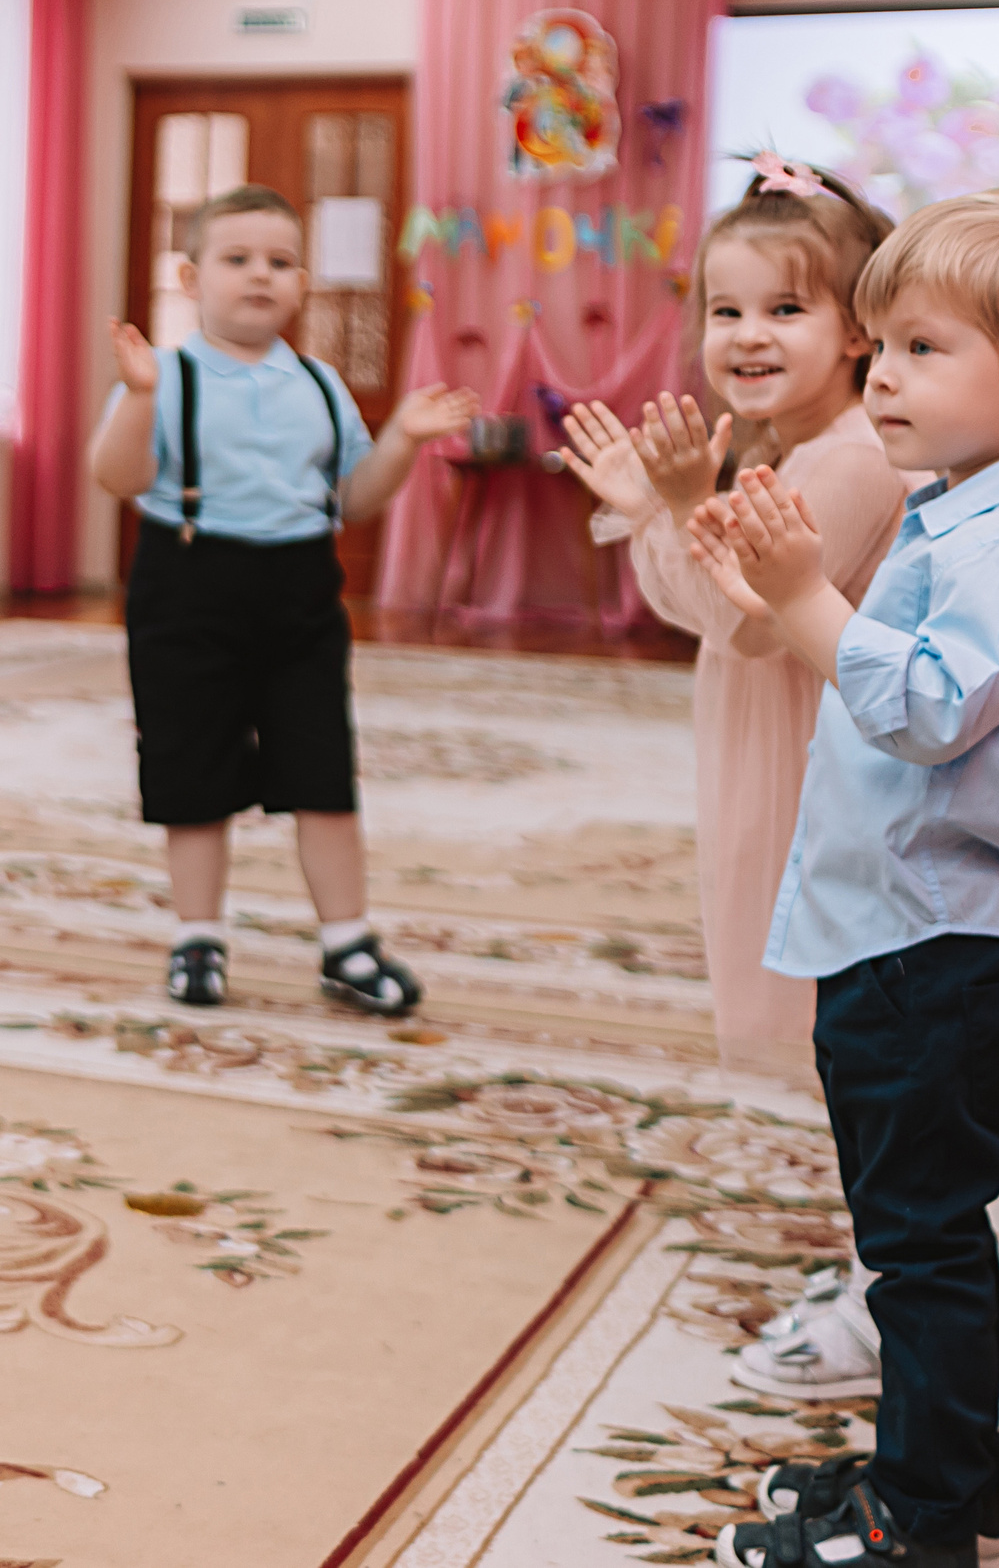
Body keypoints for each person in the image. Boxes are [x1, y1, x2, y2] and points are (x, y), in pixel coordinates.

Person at [695, 181, 999, 1568]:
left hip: (942, 946)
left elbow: (933, 704)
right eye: (879, 345)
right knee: (908, 1227)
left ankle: (929, 1523)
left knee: (925, 1243)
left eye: (922, 348)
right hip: (902, 926)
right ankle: (930, 1471)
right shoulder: (961, 510)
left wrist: (808, 601)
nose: (882, 374)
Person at [560, 155, 906, 1089]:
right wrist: (666, 503)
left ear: (859, 334)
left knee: (813, 948)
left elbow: (746, 623)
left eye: (786, 310)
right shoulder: (791, 452)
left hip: (813, 753)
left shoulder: (853, 460)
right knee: (765, 915)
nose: (749, 335)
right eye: (727, 311)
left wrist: (668, 505)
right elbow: (714, 621)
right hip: (768, 730)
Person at [89, 184, 475, 1016]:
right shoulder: (164, 375)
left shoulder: (321, 384)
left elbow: (355, 498)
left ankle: (348, 941)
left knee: (321, 768)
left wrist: (404, 439)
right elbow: (117, 478)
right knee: (193, 768)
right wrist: (143, 397)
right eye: (237, 259)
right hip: (187, 585)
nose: (259, 275)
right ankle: (198, 934)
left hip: (300, 591)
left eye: (280, 261)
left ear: (301, 283)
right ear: (193, 278)